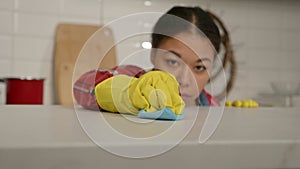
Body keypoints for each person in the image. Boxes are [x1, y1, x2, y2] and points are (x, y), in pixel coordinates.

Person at [73, 6, 221, 120]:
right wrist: (129, 93)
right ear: (153, 54)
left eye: (199, 67)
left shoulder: (212, 106)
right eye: (173, 62)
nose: (183, 80)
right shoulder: (133, 78)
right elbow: (81, 87)